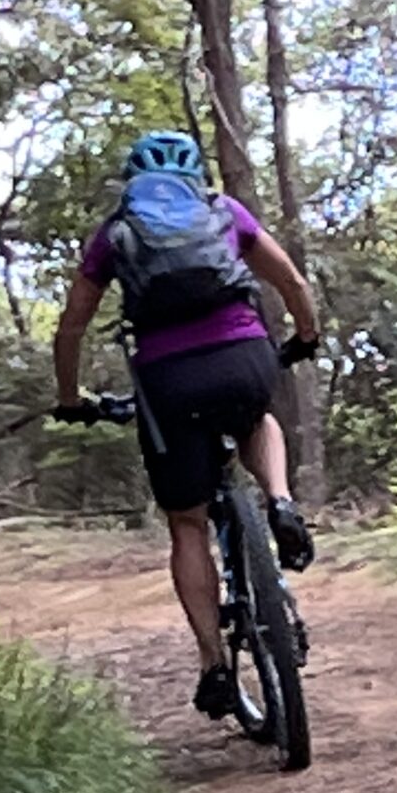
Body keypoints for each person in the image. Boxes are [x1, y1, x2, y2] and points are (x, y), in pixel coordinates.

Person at [52, 130, 320, 717]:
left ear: (132, 180)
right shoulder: (225, 211)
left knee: (188, 524)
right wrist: (306, 335)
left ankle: (214, 664)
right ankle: (280, 501)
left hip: (166, 378)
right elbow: (291, 282)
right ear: (195, 176)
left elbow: (72, 325)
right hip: (242, 354)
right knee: (257, 419)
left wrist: (71, 399)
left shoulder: (115, 233)